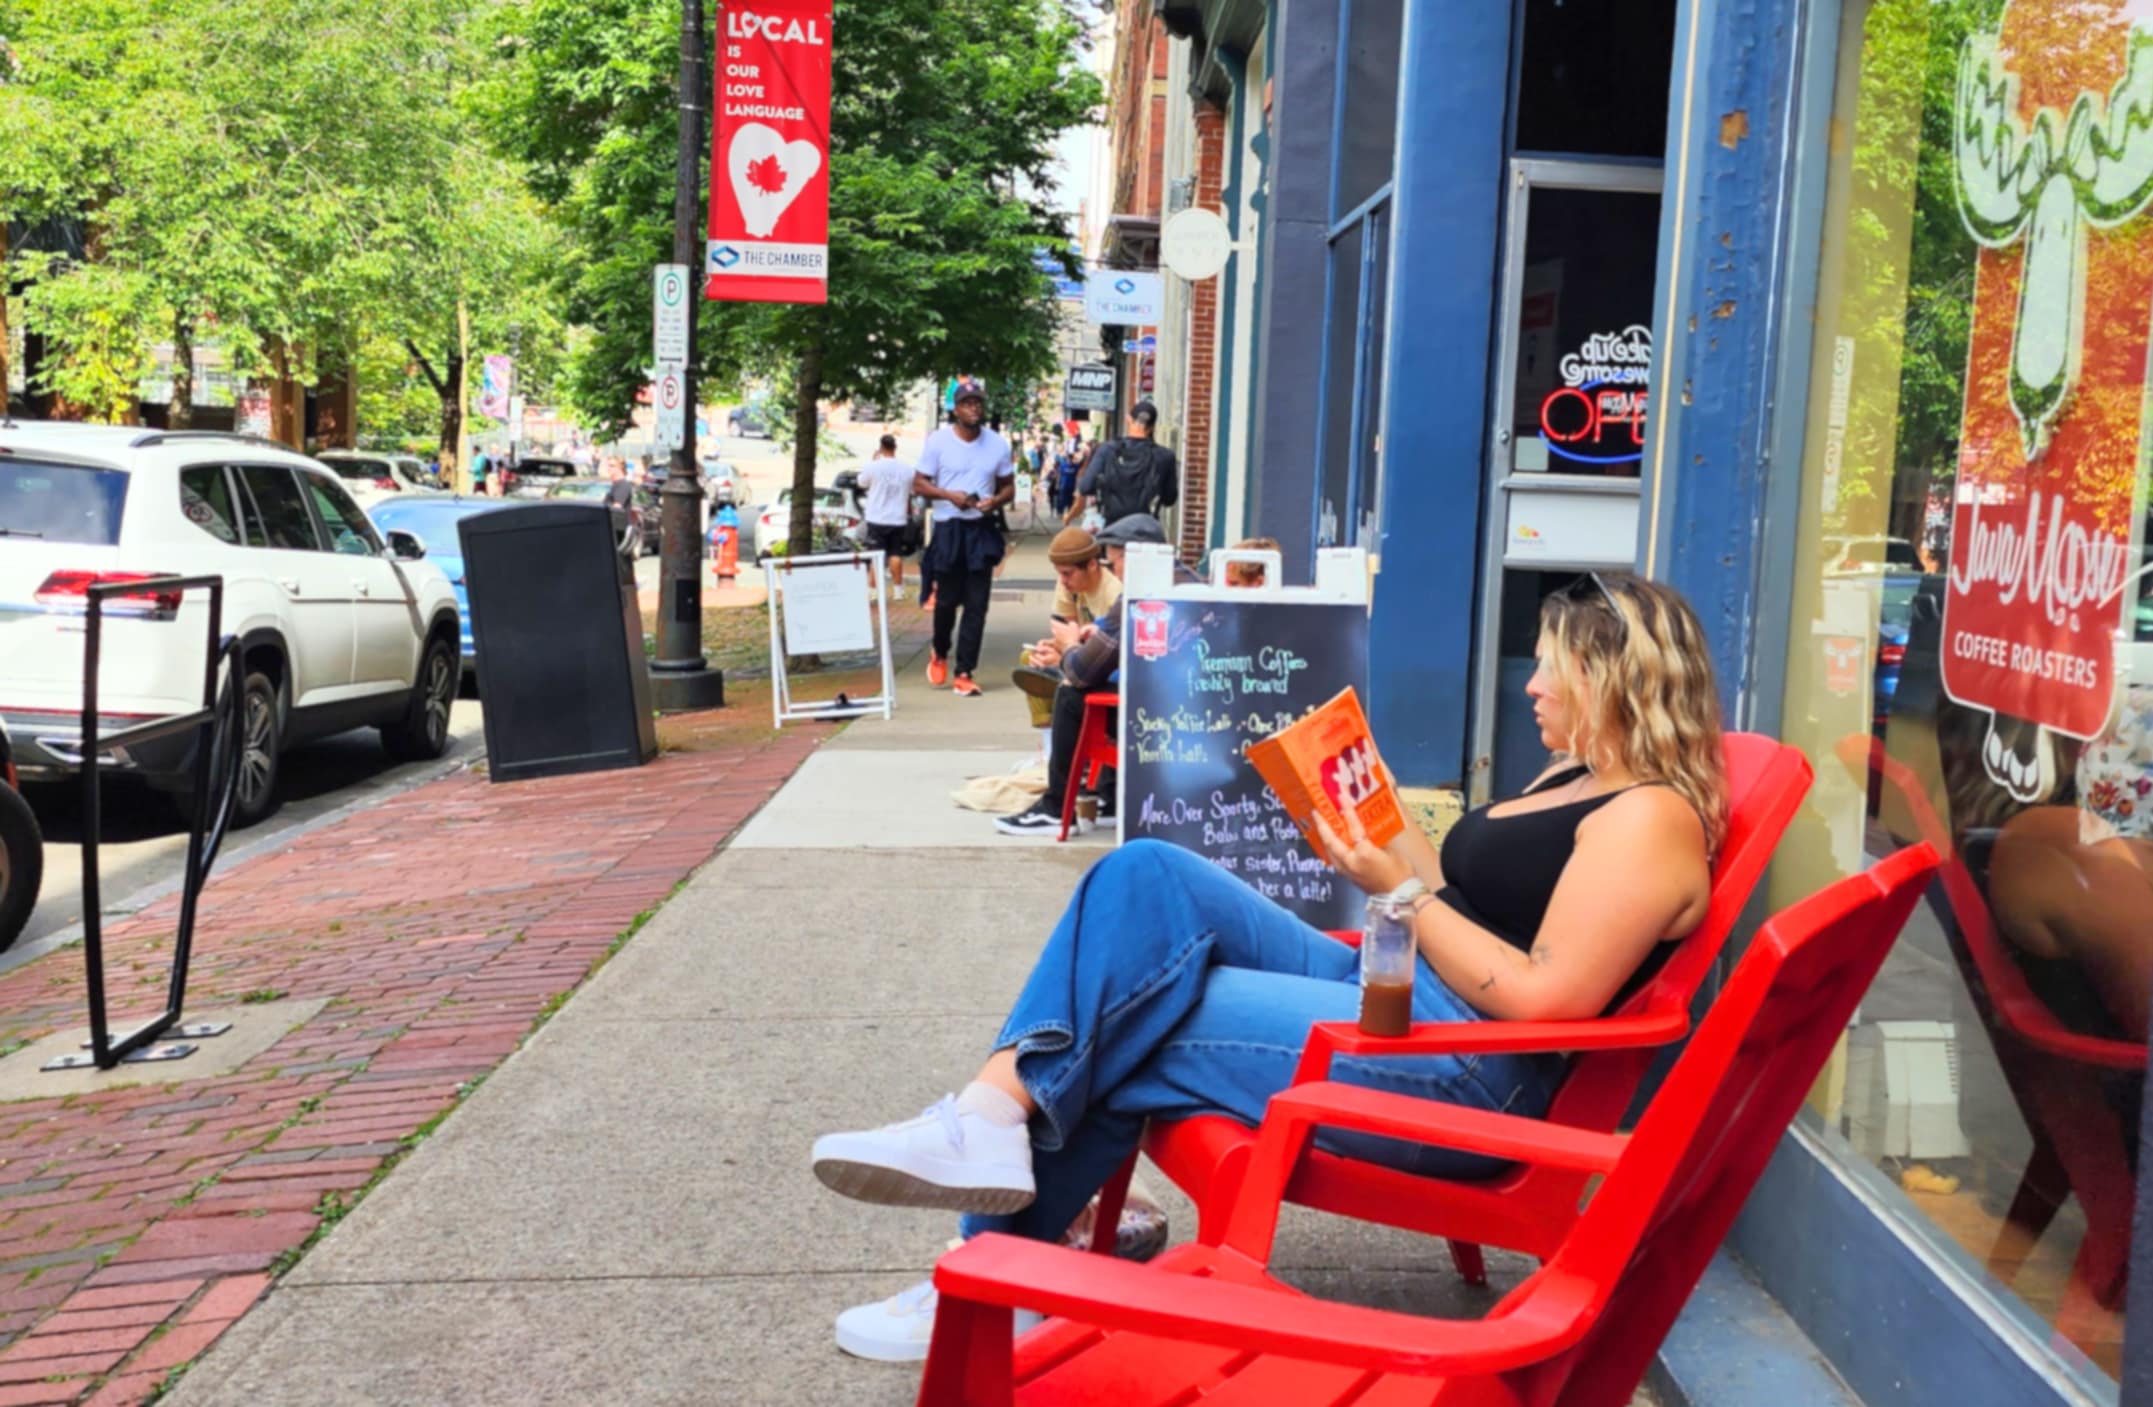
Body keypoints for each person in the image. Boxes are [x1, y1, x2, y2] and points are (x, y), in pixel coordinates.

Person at [813, 572, 1727, 1360]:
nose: (1530, 685)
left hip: (1462, 1076)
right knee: (1148, 872)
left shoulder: (1649, 820)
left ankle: (993, 1273)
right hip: (1413, 1002)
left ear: (1611, 676)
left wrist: (1398, 893)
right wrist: (1361, 808)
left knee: (1146, 1021)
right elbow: (1461, 888)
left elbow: (1540, 997)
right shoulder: (1574, 777)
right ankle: (991, 1117)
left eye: (1550, 667)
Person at [996, 515, 1185, 838]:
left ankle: (1058, 806)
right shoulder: (1187, 582)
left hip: (1156, 712)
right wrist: (1086, 638)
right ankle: (1105, 797)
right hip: (1188, 701)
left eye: (1113, 564)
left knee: (1072, 692)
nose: (1114, 571)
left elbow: (1085, 671)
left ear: (1130, 558)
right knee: (1073, 677)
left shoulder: (1135, 598)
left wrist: (1070, 648)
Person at [914, 380, 1015, 696]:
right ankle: (940, 650)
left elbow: (1008, 486)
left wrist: (994, 501)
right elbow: (919, 484)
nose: (974, 408)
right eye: (967, 403)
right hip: (948, 527)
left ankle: (965, 670)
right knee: (945, 602)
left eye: (978, 403)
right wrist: (948, 495)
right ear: (955, 409)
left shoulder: (998, 444)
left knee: (977, 604)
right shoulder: (938, 442)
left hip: (980, 529)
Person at [1069, 401, 1177, 527]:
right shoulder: (1165, 456)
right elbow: (1170, 498)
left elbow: (1086, 487)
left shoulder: (1107, 449)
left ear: (1128, 419)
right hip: (1146, 529)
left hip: (1113, 528)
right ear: (1153, 427)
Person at [858, 434, 918, 600]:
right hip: (897, 518)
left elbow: (862, 483)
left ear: (881, 448)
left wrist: (873, 461)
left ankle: (873, 590)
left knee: (876, 553)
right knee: (895, 553)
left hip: (876, 517)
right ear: (895, 448)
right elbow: (913, 491)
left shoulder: (873, 466)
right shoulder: (907, 469)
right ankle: (898, 589)